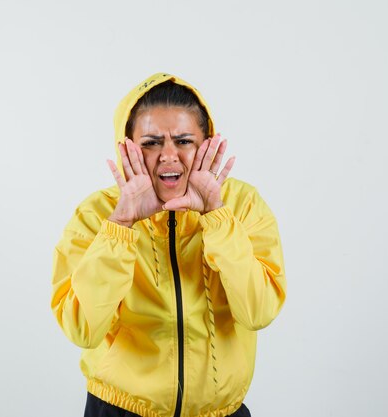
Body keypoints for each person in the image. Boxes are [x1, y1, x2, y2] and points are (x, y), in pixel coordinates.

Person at [51, 73, 286, 417]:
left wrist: (216, 216)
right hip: (120, 409)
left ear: (206, 144)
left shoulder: (243, 205)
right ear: (127, 147)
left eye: (184, 140)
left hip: (219, 411)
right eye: (151, 142)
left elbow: (258, 312)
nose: (168, 156)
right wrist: (121, 226)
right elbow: (82, 329)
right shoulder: (97, 214)